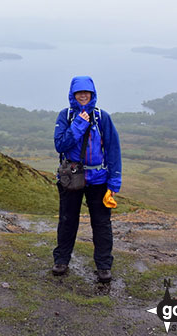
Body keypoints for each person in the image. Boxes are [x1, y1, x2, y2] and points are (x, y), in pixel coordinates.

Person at [52, 76, 121, 283]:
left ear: (92, 94)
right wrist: (80, 124)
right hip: (71, 178)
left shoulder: (102, 117)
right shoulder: (66, 116)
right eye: (79, 93)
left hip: (98, 179)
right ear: (72, 95)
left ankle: (104, 266)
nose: (83, 96)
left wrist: (114, 181)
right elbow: (60, 145)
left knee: (101, 223)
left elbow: (113, 150)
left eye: (87, 92)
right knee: (67, 221)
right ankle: (61, 261)